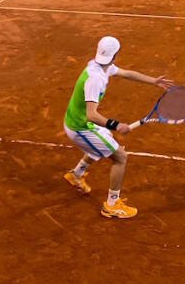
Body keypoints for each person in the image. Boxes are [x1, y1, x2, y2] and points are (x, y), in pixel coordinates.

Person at [63, 36, 172, 219]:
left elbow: (127, 74)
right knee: (120, 157)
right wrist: (117, 125)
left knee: (105, 141)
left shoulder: (100, 66)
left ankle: (76, 174)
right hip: (80, 128)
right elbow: (91, 114)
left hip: (80, 122)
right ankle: (112, 205)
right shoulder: (95, 78)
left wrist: (153, 81)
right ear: (116, 54)